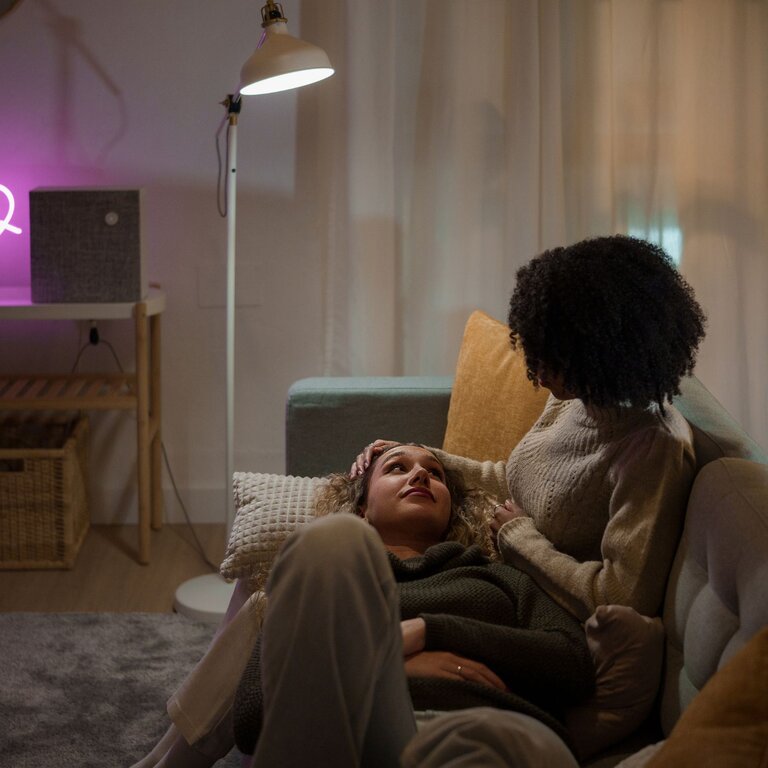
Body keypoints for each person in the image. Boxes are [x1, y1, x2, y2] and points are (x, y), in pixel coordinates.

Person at [132, 443, 594, 768]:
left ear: (453, 512)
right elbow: (253, 721)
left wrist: (427, 631)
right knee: (326, 543)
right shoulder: (321, 593)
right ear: (362, 509)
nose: (420, 475)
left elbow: (574, 664)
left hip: (486, 735)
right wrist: (388, 666)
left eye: (434, 473)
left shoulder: (497, 577)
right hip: (349, 738)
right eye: (397, 468)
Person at [352, 235, 706, 622]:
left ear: (603, 355)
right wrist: (422, 457)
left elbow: (620, 595)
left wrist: (521, 539)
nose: (537, 373)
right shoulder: (577, 397)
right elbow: (523, 479)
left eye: (552, 359)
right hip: (497, 577)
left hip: (541, 618)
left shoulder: (651, 450)